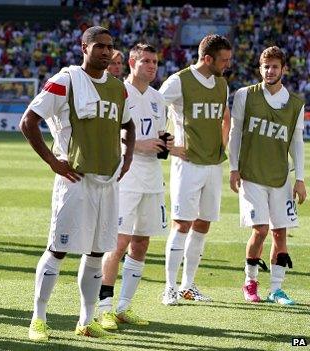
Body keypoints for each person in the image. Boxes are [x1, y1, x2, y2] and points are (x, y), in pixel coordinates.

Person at [20, 26, 135, 341]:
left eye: (109, 47)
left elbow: (128, 124)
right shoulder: (65, 81)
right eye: (98, 46)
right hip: (75, 180)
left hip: (107, 182)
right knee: (57, 249)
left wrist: (127, 158)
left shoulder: (118, 87)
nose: (105, 52)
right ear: (84, 47)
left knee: (97, 253)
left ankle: (86, 319)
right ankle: (38, 319)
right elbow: (28, 121)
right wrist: (52, 162)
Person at [97, 43, 174, 329]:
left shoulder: (158, 98)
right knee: (118, 243)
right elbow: (107, 134)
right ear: (132, 62)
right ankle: (104, 307)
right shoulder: (117, 91)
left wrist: (164, 144)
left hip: (152, 179)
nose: (152, 66)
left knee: (142, 243)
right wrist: (137, 144)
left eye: (155, 61)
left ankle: (123, 307)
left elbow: (160, 136)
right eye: (146, 61)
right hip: (126, 177)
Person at [229, 46, 306, 305]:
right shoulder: (245, 95)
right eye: (265, 67)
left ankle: (276, 289)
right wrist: (233, 168)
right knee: (260, 230)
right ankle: (250, 282)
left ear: (284, 69)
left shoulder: (296, 104)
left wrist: (300, 179)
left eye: (275, 66)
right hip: (251, 175)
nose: (270, 71)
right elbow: (235, 134)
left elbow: (296, 142)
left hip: (281, 178)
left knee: (279, 233)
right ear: (259, 69)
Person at [159, 34, 232, 305]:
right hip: (187, 164)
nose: (227, 65)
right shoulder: (179, 81)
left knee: (203, 223)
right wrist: (166, 146)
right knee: (182, 223)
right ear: (207, 58)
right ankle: (169, 287)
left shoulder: (222, 84)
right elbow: (153, 106)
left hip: (213, 165)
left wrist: (222, 143)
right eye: (223, 60)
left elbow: (224, 117)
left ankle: (188, 286)